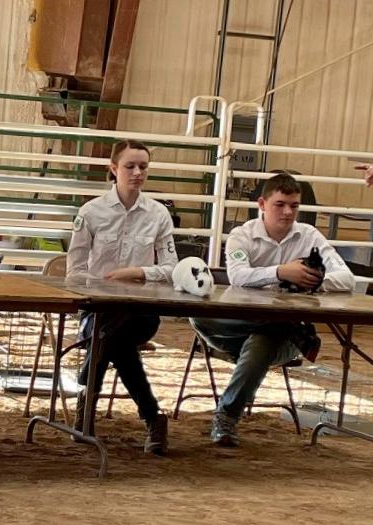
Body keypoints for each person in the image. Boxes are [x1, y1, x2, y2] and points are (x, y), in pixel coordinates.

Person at [191, 173, 354, 447]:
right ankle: (232, 403)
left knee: (264, 338)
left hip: (278, 336)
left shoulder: (309, 236)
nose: (288, 212)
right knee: (200, 314)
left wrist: (313, 280)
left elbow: (346, 278)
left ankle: (227, 415)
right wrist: (282, 273)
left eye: (294, 205)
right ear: (262, 204)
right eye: (280, 204)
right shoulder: (241, 236)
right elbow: (238, 276)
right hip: (240, 327)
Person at [67, 139, 176, 455]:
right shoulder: (90, 212)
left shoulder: (158, 215)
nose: (138, 172)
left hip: (141, 310)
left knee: (110, 336)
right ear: (113, 169)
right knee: (116, 339)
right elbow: (74, 271)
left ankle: (87, 400)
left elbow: (171, 268)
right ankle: (153, 417)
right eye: (130, 166)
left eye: (143, 166)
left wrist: (138, 273)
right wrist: (99, 287)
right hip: (97, 308)